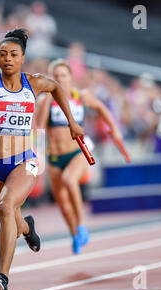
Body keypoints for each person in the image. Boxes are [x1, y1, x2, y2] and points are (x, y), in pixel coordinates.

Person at [0, 29, 84, 290]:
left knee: (6, 205)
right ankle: (27, 228)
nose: (7, 59)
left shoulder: (33, 83)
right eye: (2, 54)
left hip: (26, 161)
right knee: (8, 216)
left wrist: (72, 121)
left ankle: (3, 276)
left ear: (22, 58)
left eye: (13, 54)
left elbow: (56, 88)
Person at [35, 59, 123, 254]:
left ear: (70, 77)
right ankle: (74, 232)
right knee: (63, 204)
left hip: (78, 151)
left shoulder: (80, 96)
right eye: (56, 76)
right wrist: (47, 100)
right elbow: (39, 126)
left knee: (70, 180)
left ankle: (82, 226)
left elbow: (101, 108)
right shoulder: (45, 100)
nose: (60, 79)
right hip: (55, 157)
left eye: (63, 76)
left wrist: (114, 129)